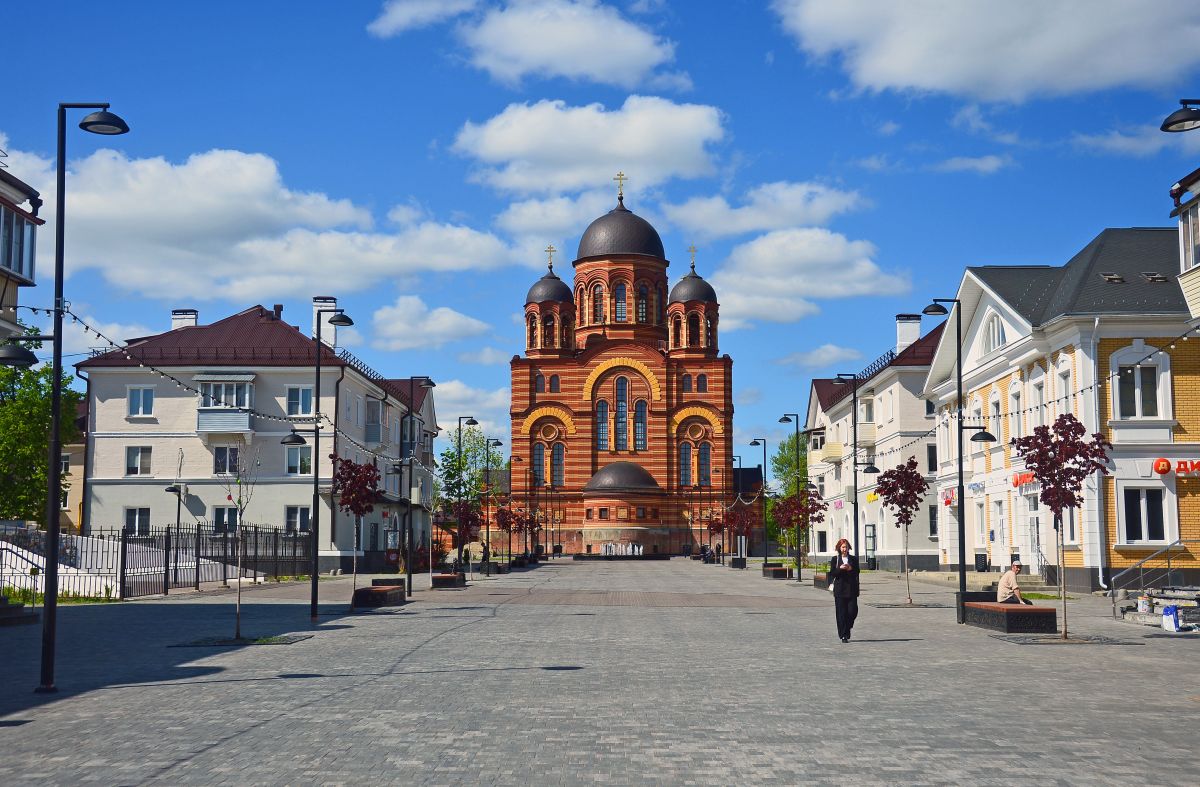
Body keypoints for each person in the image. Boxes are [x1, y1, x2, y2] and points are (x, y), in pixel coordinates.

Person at [829, 538, 860, 642]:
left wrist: (851, 569)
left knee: (852, 611)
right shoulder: (835, 559)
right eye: (842, 547)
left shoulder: (854, 559)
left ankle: (848, 626)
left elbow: (857, 572)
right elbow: (832, 573)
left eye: (846, 547)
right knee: (841, 613)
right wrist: (840, 569)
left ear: (848, 548)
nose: (844, 549)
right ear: (839, 548)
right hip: (840, 590)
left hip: (851, 589)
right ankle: (844, 635)